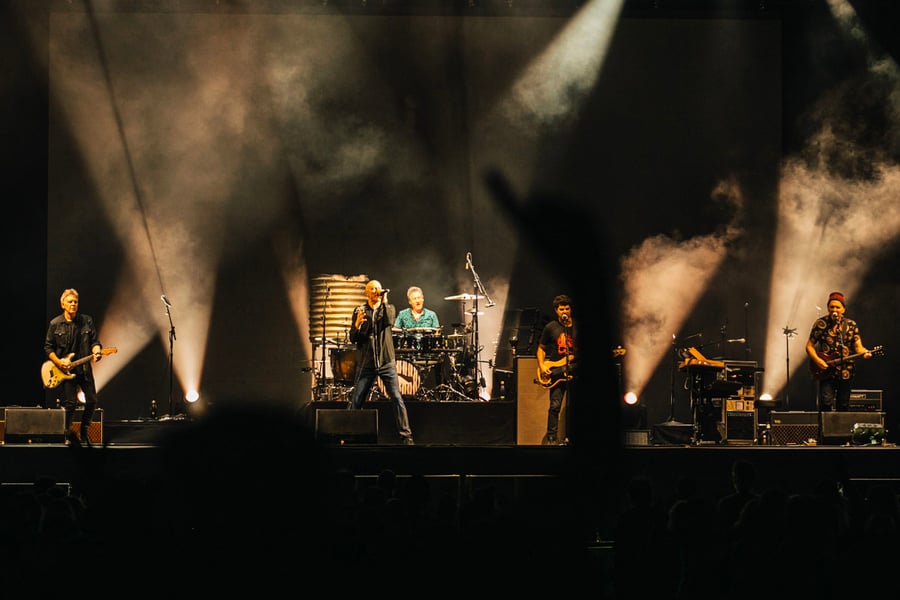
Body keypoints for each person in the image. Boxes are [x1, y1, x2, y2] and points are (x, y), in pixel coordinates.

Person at [347, 280, 414, 445]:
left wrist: (384, 302)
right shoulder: (360, 310)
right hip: (367, 363)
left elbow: (389, 320)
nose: (376, 291)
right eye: (372, 289)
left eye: (378, 288)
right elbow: (353, 338)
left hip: (386, 362)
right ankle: (347, 434)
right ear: (366, 293)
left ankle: (406, 436)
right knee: (357, 399)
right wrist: (357, 325)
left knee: (396, 397)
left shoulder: (389, 308)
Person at [43, 288, 104, 447]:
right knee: (70, 403)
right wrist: (59, 362)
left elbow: (95, 342)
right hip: (65, 370)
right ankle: (68, 434)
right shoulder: (55, 324)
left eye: (75, 302)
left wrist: (97, 351)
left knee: (92, 400)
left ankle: (84, 431)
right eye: (70, 301)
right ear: (63, 304)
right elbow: (48, 347)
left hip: (84, 369)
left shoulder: (86, 321)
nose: (73, 304)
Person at [805, 291, 874, 412]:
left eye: (838, 307)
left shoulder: (851, 325)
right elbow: (809, 346)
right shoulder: (820, 324)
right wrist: (818, 360)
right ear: (828, 308)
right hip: (826, 371)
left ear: (843, 309)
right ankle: (825, 424)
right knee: (826, 403)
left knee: (843, 405)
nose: (834, 310)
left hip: (846, 371)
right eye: (832, 307)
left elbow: (858, 347)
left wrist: (865, 353)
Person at [536, 294, 576, 445]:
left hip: (574, 371)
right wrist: (542, 365)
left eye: (567, 308)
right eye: (561, 309)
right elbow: (541, 348)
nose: (564, 312)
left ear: (570, 309)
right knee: (554, 406)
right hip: (556, 372)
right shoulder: (550, 327)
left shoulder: (577, 327)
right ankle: (551, 438)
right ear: (556, 310)